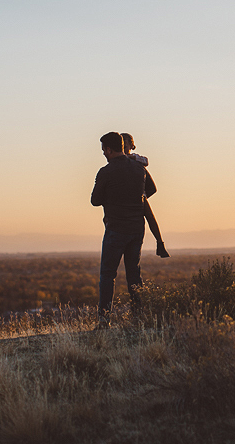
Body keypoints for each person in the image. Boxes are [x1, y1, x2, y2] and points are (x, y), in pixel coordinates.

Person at [91, 131, 156, 324]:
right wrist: (136, 198)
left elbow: (95, 200)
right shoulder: (139, 169)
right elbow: (151, 190)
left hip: (115, 228)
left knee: (108, 275)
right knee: (134, 274)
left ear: (109, 149)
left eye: (104, 150)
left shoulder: (106, 171)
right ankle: (139, 316)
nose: (103, 154)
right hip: (137, 228)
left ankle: (104, 319)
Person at [121, 133, 169, 259]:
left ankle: (160, 242)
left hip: (139, 194)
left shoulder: (135, 159)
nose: (124, 149)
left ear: (131, 145)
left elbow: (145, 161)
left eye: (125, 146)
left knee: (150, 217)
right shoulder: (122, 161)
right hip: (133, 194)